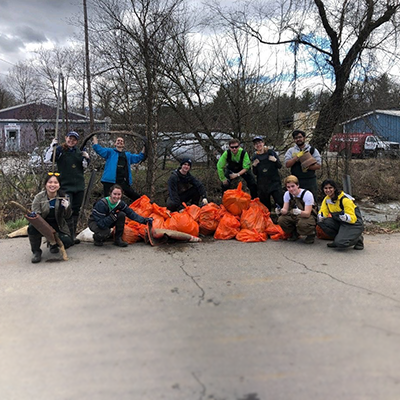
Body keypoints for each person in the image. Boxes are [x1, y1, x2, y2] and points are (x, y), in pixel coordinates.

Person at [45, 131, 90, 244]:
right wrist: (52, 147)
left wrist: (87, 158)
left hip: (79, 186)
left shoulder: (79, 152)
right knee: (66, 210)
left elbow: (84, 166)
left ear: (77, 141)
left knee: (76, 210)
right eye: (70, 138)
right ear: (66, 138)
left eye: (74, 139)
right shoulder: (60, 150)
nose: (71, 141)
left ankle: (73, 235)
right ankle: (64, 234)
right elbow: (48, 159)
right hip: (65, 187)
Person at [28, 173, 73, 263]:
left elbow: (68, 216)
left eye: (55, 182)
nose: (52, 185)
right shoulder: (39, 197)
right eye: (50, 182)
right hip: (42, 224)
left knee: (67, 242)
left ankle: (53, 244)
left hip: (58, 225)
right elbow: (36, 215)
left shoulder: (64, 197)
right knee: (31, 228)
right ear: (45, 184)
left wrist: (67, 207)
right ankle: (36, 252)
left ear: (59, 185)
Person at [92, 135, 145, 201]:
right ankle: (106, 210)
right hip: (109, 181)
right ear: (115, 143)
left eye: (122, 141)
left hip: (122, 181)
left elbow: (139, 157)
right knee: (108, 200)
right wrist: (94, 137)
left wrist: (145, 146)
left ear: (123, 144)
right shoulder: (110, 152)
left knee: (135, 196)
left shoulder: (127, 155)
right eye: (118, 140)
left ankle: (146, 206)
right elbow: (98, 149)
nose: (120, 142)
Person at [317, 179, 364, 250]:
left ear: (335, 188)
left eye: (330, 188)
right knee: (323, 223)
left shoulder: (344, 200)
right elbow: (324, 212)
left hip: (353, 223)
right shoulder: (326, 199)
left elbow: (353, 219)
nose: (328, 190)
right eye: (325, 188)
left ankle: (357, 239)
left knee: (341, 243)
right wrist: (321, 216)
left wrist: (346, 218)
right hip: (340, 222)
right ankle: (338, 239)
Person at [277, 175, 317, 244]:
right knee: (281, 220)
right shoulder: (287, 194)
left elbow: (307, 214)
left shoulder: (307, 194)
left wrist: (299, 212)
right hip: (294, 215)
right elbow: (285, 210)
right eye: (288, 187)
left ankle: (311, 234)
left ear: (297, 185)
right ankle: (294, 233)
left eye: (293, 186)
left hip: (307, 216)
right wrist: (280, 211)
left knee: (302, 223)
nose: (291, 189)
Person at [284, 130, 321, 201]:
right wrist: (296, 158)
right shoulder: (291, 151)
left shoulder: (312, 150)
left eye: (300, 137)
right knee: (298, 201)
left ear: (304, 138)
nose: (298, 139)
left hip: (310, 180)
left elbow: (318, 166)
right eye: (296, 138)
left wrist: (307, 166)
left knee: (312, 201)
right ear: (294, 140)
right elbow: (287, 164)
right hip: (296, 181)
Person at [251, 136, 283, 212]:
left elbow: (279, 166)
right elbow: (255, 173)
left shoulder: (271, 152)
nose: (258, 145)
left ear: (263, 143)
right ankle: (267, 222)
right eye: (256, 144)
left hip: (274, 182)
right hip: (262, 185)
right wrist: (254, 166)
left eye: (259, 143)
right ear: (254, 146)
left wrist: (275, 160)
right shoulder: (255, 156)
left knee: (280, 203)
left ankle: (283, 220)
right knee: (265, 207)